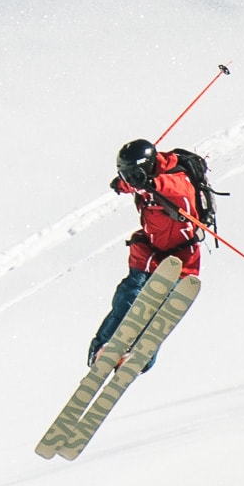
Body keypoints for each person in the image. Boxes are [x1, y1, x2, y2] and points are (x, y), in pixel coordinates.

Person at [88, 138, 204, 365]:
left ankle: (139, 356)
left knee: (157, 308)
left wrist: (153, 183)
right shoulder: (139, 178)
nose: (130, 181)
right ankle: (104, 346)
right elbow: (133, 182)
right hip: (150, 249)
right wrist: (121, 184)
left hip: (179, 256)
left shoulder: (175, 182)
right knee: (128, 295)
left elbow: (177, 189)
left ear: (147, 168)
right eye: (125, 175)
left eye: (132, 175)